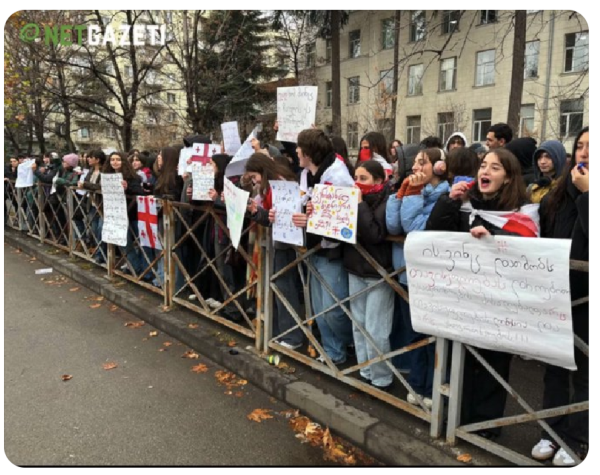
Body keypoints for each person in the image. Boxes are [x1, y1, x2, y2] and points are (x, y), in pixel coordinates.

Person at [427, 148, 537, 439]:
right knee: (461, 360)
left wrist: (493, 240)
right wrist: (447, 201)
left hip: (501, 305)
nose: (485, 172)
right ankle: (458, 418)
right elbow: (433, 233)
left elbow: (529, 253)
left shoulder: (524, 211)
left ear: (509, 177)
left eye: (495, 168)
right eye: (483, 166)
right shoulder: (466, 203)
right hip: (465, 300)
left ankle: (486, 426)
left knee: (493, 365)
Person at [531, 127, 588, 466]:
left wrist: (588, 195)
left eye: (590, 148)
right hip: (557, 295)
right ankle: (551, 432)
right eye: (579, 146)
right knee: (553, 368)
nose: (583, 152)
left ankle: (578, 439)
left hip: (587, 302)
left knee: (583, 374)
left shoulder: (584, 192)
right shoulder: (560, 192)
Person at [386, 148, 450, 407]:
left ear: (438, 167)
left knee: (428, 336)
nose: (415, 168)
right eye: (414, 162)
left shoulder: (443, 196)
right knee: (413, 333)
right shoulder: (414, 191)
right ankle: (416, 383)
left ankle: (430, 387)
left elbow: (413, 229)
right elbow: (393, 226)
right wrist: (399, 196)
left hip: (427, 274)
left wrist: (411, 195)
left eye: (422, 163)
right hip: (404, 271)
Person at [293, 128, 355, 365]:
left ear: (309, 152)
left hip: (331, 251)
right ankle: (333, 353)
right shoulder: (309, 174)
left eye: (300, 147)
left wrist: (309, 220)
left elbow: (342, 217)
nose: (297, 151)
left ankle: (350, 344)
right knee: (320, 308)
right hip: (314, 247)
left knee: (333, 309)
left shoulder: (337, 176)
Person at [243, 153, 306, 350]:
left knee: (284, 287)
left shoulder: (280, 183)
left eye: (255, 176)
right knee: (279, 286)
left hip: (286, 243)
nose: (255, 181)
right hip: (279, 240)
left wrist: (263, 214)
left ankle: (292, 336)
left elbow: (280, 218)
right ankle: (282, 332)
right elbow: (272, 219)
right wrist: (257, 212)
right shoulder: (272, 184)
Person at [344, 160, 394, 390]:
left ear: (378, 180)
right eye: (356, 177)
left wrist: (360, 205)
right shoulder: (356, 199)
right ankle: (365, 370)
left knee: (376, 329)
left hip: (377, 271)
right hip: (355, 267)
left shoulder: (388, 200)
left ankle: (382, 377)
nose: (357, 183)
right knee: (359, 324)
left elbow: (375, 233)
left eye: (363, 179)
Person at [102, 152, 145, 275]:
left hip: (131, 214)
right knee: (122, 242)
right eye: (112, 160)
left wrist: (127, 188)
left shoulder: (133, 177)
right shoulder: (107, 176)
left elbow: (140, 193)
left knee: (138, 243)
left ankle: (139, 269)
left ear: (124, 161)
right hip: (116, 215)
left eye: (118, 160)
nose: (115, 162)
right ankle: (134, 267)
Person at [78, 150, 107, 264]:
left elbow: (101, 186)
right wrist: (85, 184)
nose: (88, 159)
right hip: (92, 203)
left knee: (101, 229)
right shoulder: (90, 171)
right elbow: (85, 182)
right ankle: (97, 251)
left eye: (91, 157)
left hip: (102, 204)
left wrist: (86, 185)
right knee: (94, 229)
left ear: (98, 159)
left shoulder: (105, 171)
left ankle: (102, 255)